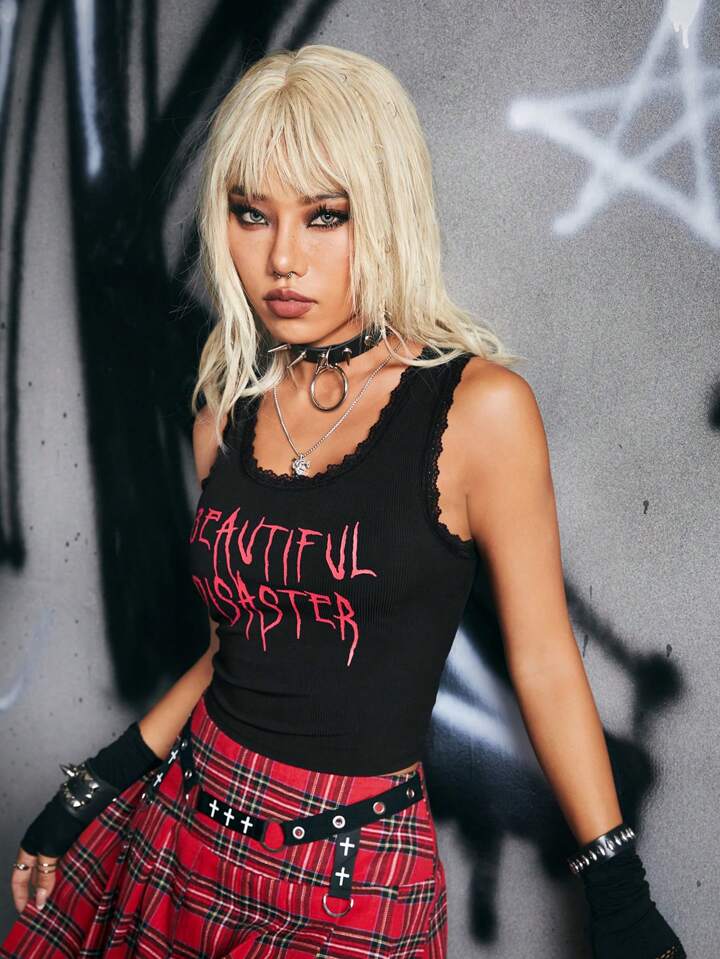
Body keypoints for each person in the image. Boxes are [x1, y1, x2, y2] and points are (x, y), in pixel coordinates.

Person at [3, 44, 685, 959]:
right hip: (188, 828)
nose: (282, 258)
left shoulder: (480, 410)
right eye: (252, 214)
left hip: (352, 876)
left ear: (388, 212)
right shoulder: (224, 418)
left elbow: (545, 660)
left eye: (326, 216)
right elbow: (237, 650)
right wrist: (89, 788)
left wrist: (617, 888)